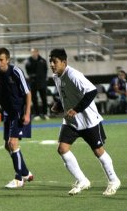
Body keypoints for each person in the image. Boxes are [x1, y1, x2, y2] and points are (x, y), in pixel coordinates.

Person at [49, 48, 121, 196]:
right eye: (50, 61)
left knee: (98, 152)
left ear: (64, 62)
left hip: (89, 121)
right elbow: (65, 94)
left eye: (54, 61)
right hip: (71, 122)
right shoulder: (56, 76)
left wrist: (76, 109)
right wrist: (58, 104)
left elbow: (92, 91)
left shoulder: (73, 74)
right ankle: (82, 180)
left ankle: (114, 180)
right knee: (62, 149)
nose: (51, 64)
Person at [0, 47, 34, 188]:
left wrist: (27, 114)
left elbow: (28, 93)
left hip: (19, 112)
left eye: (1, 60)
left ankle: (18, 178)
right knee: (7, 146)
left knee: (13, 143)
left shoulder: (16, 72)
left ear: (7, 60)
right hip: (8, 113)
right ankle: (26, 172)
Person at [25, 48, 49, 119]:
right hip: (33, 83)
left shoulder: (43, 61)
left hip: (42, 83)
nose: (33, 53)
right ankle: (37, 114)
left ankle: (45, 113)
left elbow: (45, 70)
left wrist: (43, 79)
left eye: (34, 52)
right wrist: (32, 77)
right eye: (32, 52)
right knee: (34, 99)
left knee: (44, 98)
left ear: (37, 52)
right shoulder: (28, 61)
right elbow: (27, 70)